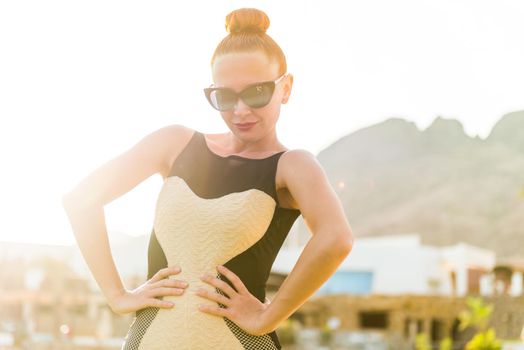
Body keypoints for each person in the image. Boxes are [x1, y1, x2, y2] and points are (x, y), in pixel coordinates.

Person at [62, 7, 353, 350]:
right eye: (225, 97)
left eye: (257, 92)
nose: (240, 110)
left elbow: (336, 238)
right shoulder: (175, 143)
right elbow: (81, 199)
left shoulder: (292, 166)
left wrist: (268, 315)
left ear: (285, 88)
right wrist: (116, 294)